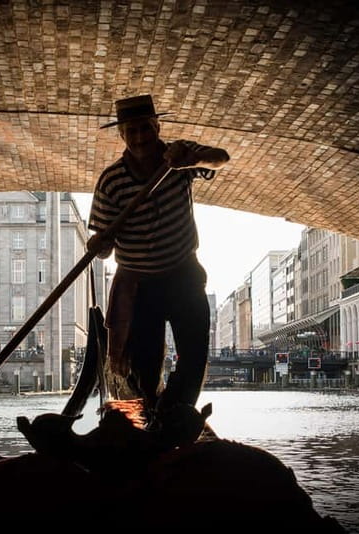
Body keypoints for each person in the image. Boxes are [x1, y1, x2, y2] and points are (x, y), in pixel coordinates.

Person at [87, 94, 230, 429]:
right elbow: (105, 250)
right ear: (122, 134)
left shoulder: (177, 156)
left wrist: (190, 159)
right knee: (145, 368)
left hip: (184, 276)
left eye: (145, 128)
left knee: (194, 358)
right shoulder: (111, 182)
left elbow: (220, 158)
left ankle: (171, 419)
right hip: (139, 287)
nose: (140, 137)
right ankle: (154, 419)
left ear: (157, 127)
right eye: (132, 130)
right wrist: (100, 243)